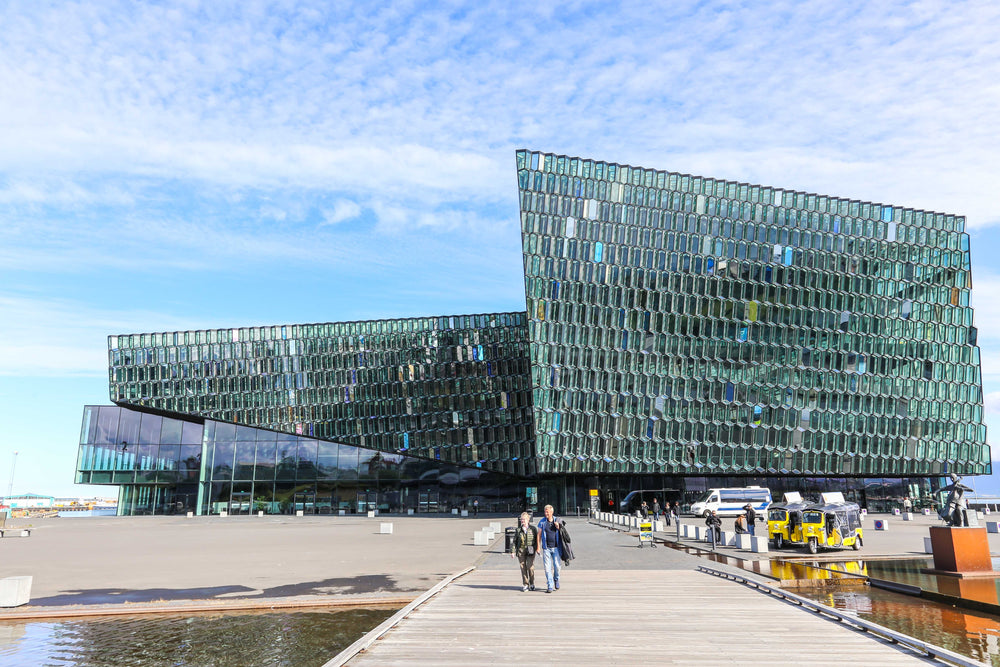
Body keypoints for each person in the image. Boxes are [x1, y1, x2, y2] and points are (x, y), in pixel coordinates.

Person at [536, 504, 563, 593]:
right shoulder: (542, 522)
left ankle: (556, 579)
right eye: (545, 512)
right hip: (546, 548)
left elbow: (563, 532)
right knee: (547, 568)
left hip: (556, 548)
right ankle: (550, 585)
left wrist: (558, 527)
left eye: (547, 512)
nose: (546, 513)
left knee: (557, 566)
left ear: (552, 512)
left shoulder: (557, 520)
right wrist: (538, 547)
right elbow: (539, 534)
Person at [510, 511, 538, 592]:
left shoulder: (533, 529)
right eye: (521, 519)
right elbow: (514, 542)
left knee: (530, 567)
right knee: (523, 567)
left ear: (528, 520)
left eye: (524, 519)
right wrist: (513, 551)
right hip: (521, 550)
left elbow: (536, 540)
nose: (523, 521)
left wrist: (535, 548)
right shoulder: (518, 530)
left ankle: (532, 583)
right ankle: (525, 584)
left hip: (530, 550)